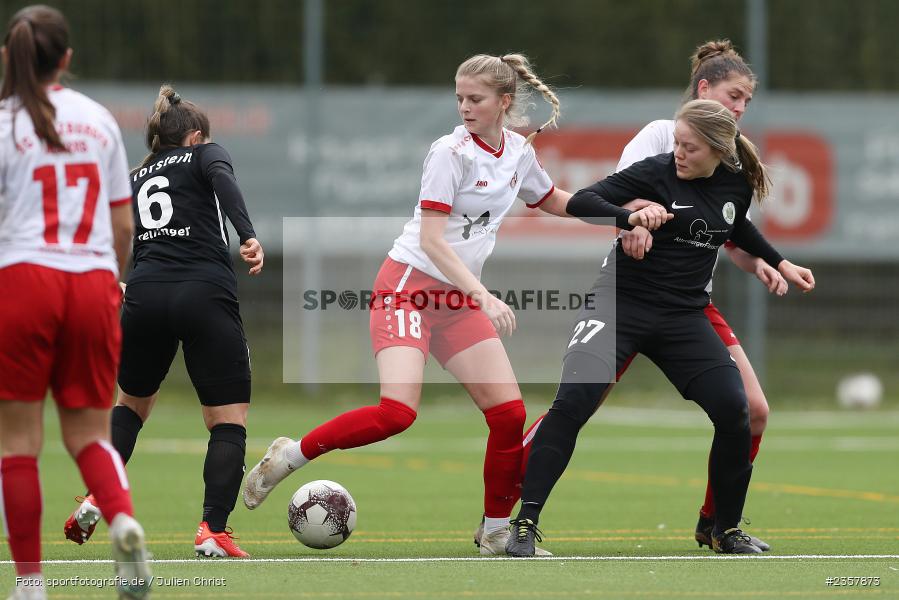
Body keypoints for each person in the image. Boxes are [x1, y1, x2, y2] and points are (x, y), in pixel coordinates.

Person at [243, 53, 572, 555]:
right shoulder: (450, 152)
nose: (464, 107)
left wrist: (623, 213)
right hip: (408, 289)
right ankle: (293, 455)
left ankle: (496, 532)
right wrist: (483, 294)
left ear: (504, 102)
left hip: (457, 300)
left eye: (475, 99)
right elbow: (436, 242)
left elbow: (554, 200)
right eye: (459, 97)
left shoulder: (519, 153)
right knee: (397, 412)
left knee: (508, 414)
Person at [505, 99, 815, 557]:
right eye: (676, 143)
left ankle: (724, 530)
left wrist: (781, 261)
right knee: (573, 401)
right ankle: (525, 524)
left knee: (736, 412)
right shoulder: (656, 171)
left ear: (716, 149)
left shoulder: (735, 183)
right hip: (620, 305)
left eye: (689, 147)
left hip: (683, 318)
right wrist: (629, 216)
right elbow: (586, 200)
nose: (679, 154)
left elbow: (735, 229)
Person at [63, 85, 264, 558]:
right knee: (226, 420)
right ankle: (213, 529)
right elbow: (223, 179)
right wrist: (248, 235)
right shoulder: (205, 154)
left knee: (130, 405)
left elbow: (98, 225)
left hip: (145, 293)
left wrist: (111, 280)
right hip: (203, 293)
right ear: (195, 137)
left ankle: (97, 494)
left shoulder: (135, 175)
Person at [0, 6, 151, 599]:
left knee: (18, 443)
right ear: (65, 59)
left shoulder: (3, 122)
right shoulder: (99, 120)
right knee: (89, 435)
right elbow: (122, 227)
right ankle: (123, 522)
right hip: (91, 284)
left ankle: (31, 586)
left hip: (24, 281)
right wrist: (109, 282)